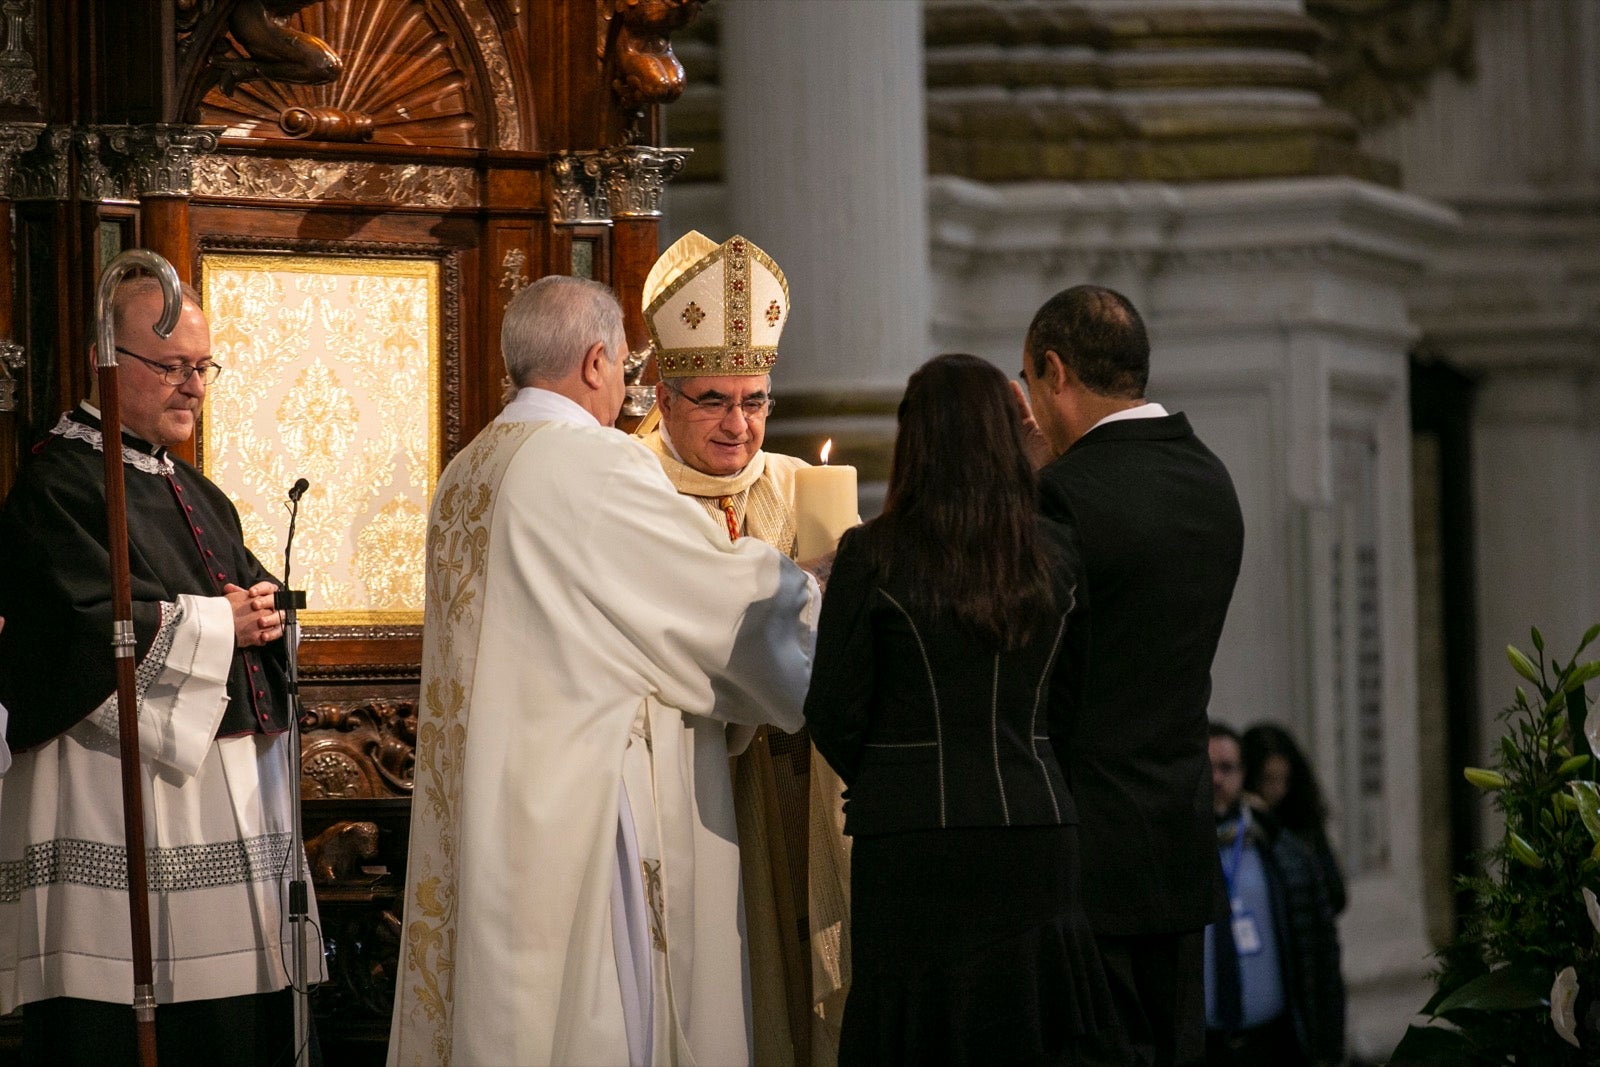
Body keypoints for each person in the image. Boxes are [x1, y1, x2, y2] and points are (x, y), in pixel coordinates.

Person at [386, 275, 820, 1067]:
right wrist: (819, 587)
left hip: (496, 808)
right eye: (625, 364)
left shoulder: (468, 469)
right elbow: (721, 607)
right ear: (595, 361)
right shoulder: (588, 465)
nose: (626, 385)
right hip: (579, 821)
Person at [0, 276, 317, 1065]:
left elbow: (242, 602)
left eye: (205, 367)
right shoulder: (59, 485)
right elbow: (75, 637)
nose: (193, 387)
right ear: (105, 362)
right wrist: (220, 622)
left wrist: (272, 616)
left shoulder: (196, 489)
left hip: (219, 817)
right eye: (172, 366)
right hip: (119, 808)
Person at [805, 353, 1113, 1064]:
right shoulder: (1058, 554)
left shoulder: (871, 554)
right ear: (1010, 438)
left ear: (915, 442)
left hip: (913, 842)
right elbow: (1073, 706)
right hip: (1035, 831)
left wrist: (892, 775)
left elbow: (833, 710)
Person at [636, 229, 852, 1065]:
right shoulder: (631, 485)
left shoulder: (800, 484)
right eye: (714, 399)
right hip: (692, 782)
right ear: (663, 390)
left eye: (756, 400)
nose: (739, 424)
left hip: (799, 782)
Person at [1017, 284, 1245, 1067]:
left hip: (1085, 861)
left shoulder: (1063, 497)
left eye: (1026, 383)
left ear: (1054, 372)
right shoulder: (1211, 480)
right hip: (1179, 848)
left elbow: (1036, 679)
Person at [1204, 723, 1344, 1067]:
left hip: (1276, 1042)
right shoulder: (1172, 857)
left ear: (1243, 774)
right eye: (1206, 769)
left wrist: (1326, 1047)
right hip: (1206, 1045)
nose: (1216, 780)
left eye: (1226, 768)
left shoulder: (1283, 853)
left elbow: (1321, 958)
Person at [1241, 723, 1347, 916]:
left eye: (1284, 780)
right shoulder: (1242, 825)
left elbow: (1335, 893)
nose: (1278, 790)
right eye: (1268, 779)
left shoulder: (1302, 820)